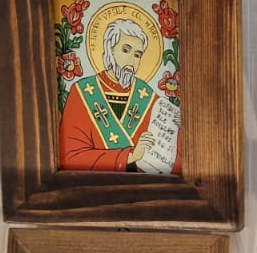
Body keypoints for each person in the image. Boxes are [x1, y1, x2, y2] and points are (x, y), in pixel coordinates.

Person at [58, 18, 181, 174]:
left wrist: (179, 129)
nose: (132, 61)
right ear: (110, 50)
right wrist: (129, 157)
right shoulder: (81, 92)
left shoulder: (148, 97)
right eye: (125, 50)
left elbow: (172, 162)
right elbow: (70, 159)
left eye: (137, 55)